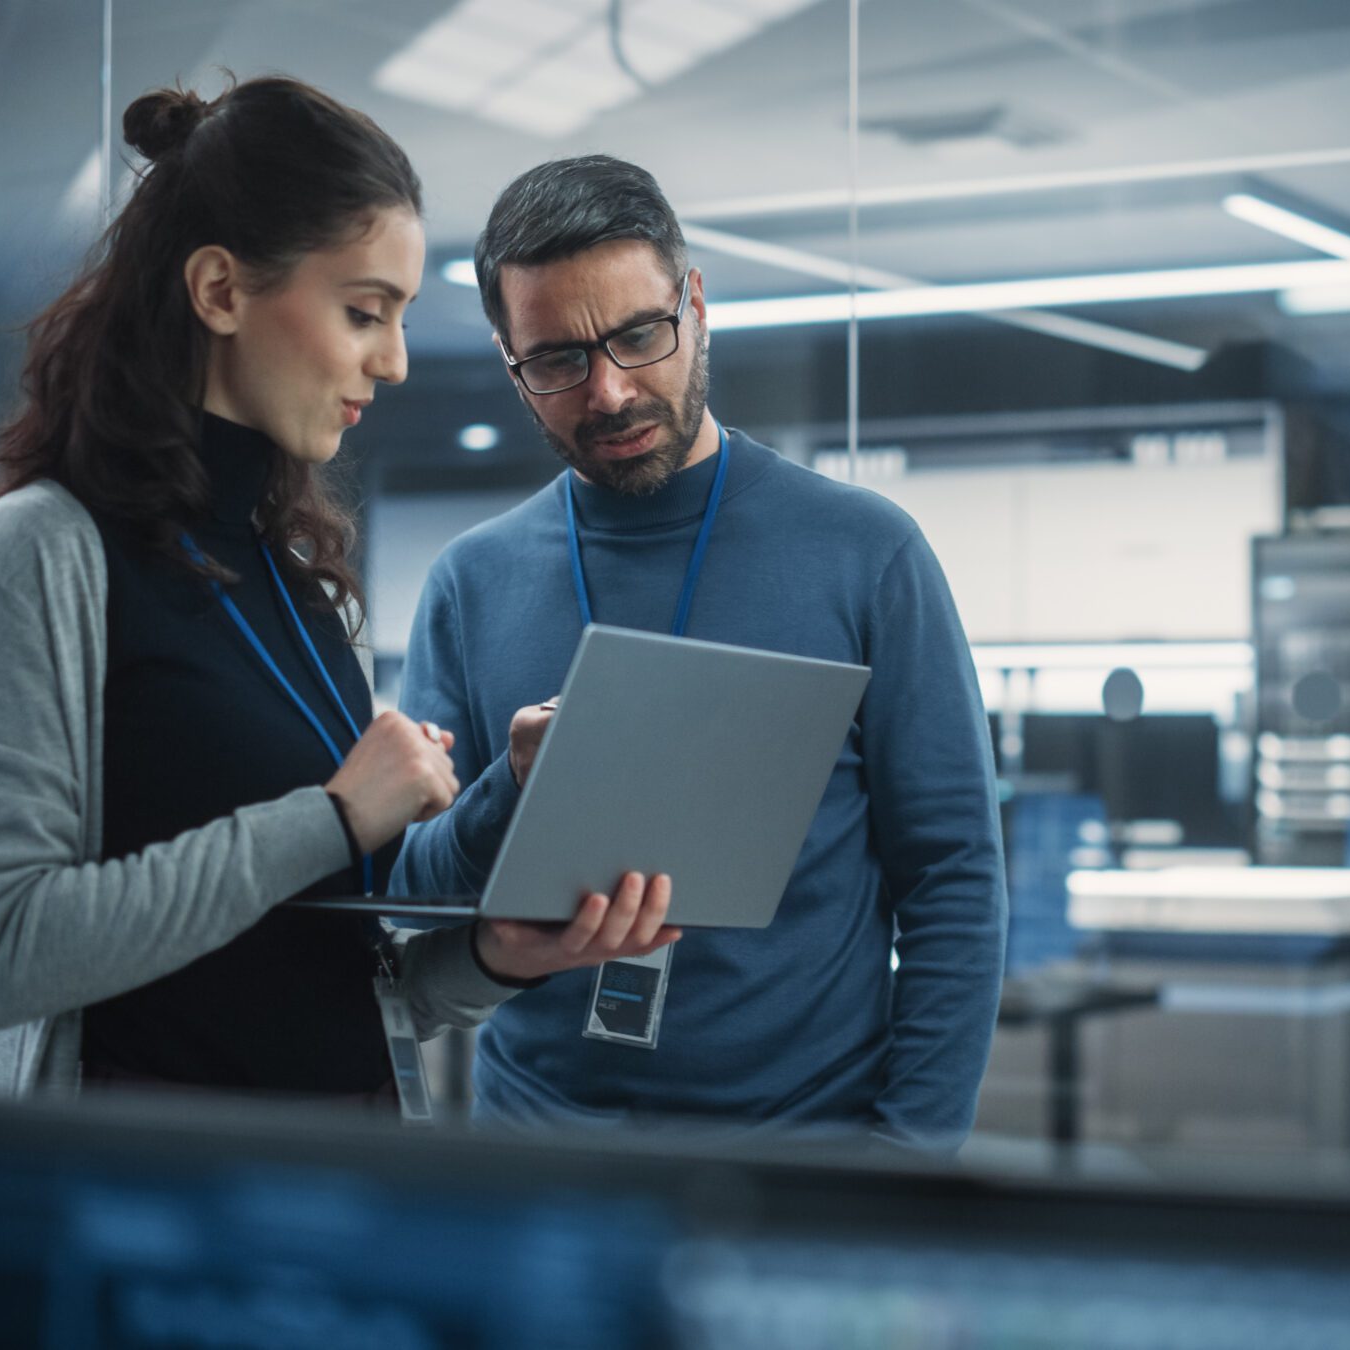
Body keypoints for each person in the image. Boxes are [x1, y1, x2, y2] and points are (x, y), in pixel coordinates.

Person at [0, 81, 676, 1102]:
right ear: (221, 290)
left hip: (340, 1195)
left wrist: (497, 955)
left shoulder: (304, 582)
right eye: (364, 312)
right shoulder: (36, 555)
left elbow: (337, 980)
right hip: (141, 1218)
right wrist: (329, 818)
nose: (395, 361)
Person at [395, 155, 1007, 1151]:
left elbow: (953, 877)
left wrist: (910, 1154)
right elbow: (415, 896)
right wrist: (511, 787)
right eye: (555, 360)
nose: (608, 391)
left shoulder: (863, 553)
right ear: (510, 361)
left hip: (805, 1157)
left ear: (695, 305)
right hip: (541, 1158)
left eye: (640, 335)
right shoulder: (472, 583)